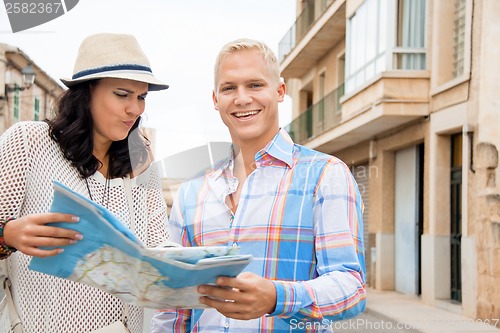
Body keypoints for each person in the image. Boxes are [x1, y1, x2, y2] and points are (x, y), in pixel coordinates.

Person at [152, 38, 366, 332]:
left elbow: (351, 288)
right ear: (215, 99)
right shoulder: (193, 190)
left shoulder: (326, 175)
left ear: (279, 91)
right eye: (229, 88)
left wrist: (278, 297)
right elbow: (173, 305)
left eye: (254, 85)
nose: (241, 98)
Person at [0, 33, 170, 333]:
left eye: (141, 96)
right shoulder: (29, 142)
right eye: (122, 94)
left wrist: (191, 266)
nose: (136, 109)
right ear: (86, 93)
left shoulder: (141, 160)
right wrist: (7, 236)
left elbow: (158, 247)